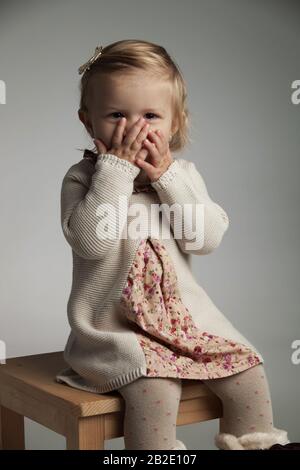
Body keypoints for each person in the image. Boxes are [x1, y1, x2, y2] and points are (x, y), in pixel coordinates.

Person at [56, 39, 292, 450]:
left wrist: (168, 179)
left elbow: (205, 239)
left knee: (249, 369)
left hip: (183, 325)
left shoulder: (182, 176)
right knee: (157, 386)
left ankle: (256, 444)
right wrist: (114, 171)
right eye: (116, 115)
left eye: (150, 115)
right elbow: (91, 243)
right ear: (88, 122)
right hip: (115, 332)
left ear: (175, 123)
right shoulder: (84, 180)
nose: (134, 128)